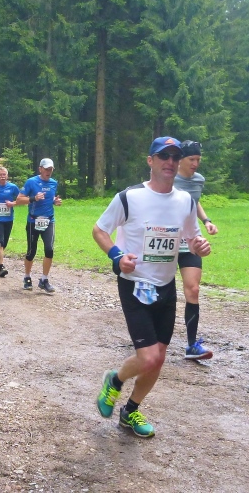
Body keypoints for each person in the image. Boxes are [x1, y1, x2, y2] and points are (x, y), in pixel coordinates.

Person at [92, 136, 211, 438]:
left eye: (175, 157)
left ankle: (130, 411)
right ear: (150, 161)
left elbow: (191, 239)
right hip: (135, 286)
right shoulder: (129, 197)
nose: (170, 162)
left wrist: (199, 246)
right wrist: (117, 256)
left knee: (159, 358)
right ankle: (114, 380)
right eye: (163, 156)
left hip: (166, 287)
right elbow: (100, 230)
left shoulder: (185, 201)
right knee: (148, 357)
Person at [175, 140, 219, 360]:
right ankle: (147, 338)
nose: (195, 163)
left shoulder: (199, 180)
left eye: (198, 159)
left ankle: (192, 345)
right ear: (180, 160)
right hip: (165, 239)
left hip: (190, 241)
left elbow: (196, 201)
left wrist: (206, 220)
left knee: (193, 289)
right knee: (158, 290)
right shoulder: (168, 178)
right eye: (191, 159)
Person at [16, 158, 62, 293]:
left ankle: (44, 280)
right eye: (46, 169)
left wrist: (55, 201)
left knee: (49, 249)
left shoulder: (53, 183)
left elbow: (49, 198)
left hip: (49, 221)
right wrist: (33, 198)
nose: (49, 172)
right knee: (31, 252)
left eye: (51, 169)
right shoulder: (31, 182)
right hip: (33, 221)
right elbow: (19, 199)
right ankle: (27, 277)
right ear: (40, 169)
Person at [0, 166, 20, 278]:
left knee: (4, 243)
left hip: (8, 218)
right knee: (0, 241)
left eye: (4, 175)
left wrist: (12, 203)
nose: (2, 177)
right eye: (0, 175)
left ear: (7, 176)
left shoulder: (13, 187)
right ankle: (2, 267)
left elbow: (21, 199)